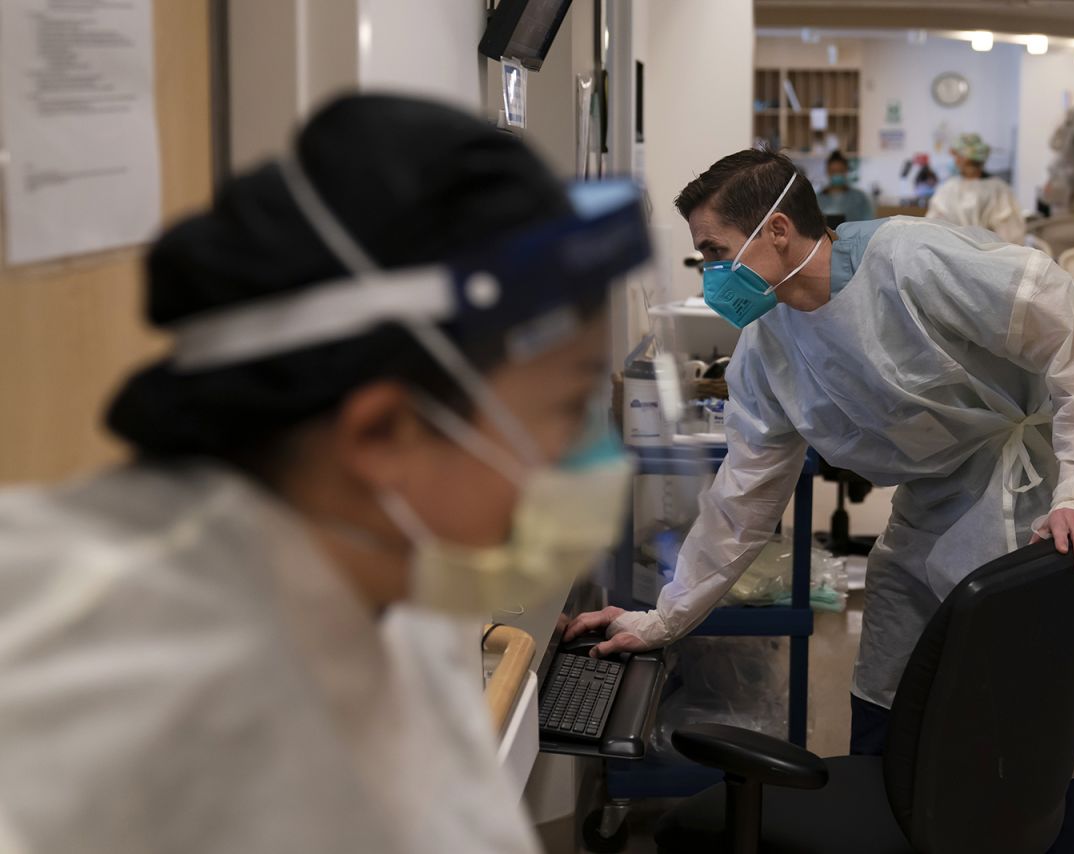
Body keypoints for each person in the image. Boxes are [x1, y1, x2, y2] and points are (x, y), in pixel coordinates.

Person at [0, 95, 650, 853]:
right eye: (570, 408)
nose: (593, 452)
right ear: (382, 432)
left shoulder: (385, 581)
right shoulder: (83, 699)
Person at [567, 149, 1074, 853]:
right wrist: (665, 617)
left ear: (777, 230)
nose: (712, 275)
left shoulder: (909, 262)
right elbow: (742, 501)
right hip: (931, 511)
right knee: (889, 679)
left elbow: (1068, 327)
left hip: (1040, 510)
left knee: (1038, 724)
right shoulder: (767, 353)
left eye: (715, 253)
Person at [927, 132, 1026, 244]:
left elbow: (1009, 234)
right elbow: (934, 227)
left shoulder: (997, 190)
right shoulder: (948, 189)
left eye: (957, 156)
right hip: (960, 255)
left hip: (987, 257)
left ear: (966, 159)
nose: (955, 160)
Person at [817, 150, 875, 224]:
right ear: (827, 171)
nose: (837, 174)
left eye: (840, 171)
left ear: (846, 171)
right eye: (833, 171)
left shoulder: (860, 198)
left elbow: (869, 223)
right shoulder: (817, 199)